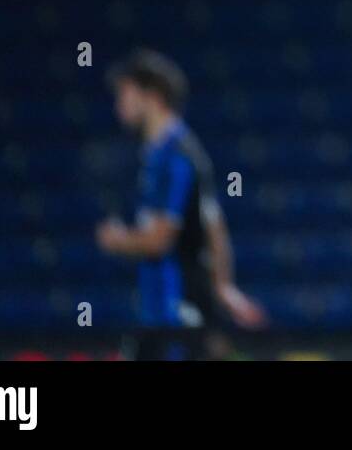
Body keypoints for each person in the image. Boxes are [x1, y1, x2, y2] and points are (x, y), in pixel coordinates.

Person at [95, 48, 265, 359]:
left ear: (153, 95)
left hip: (177, 312)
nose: (119, 104)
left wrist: (116, 240)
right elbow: (214, 225)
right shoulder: (161, 152)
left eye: (126, 94)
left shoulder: (175, 156)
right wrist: (224, 288)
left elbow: (160, 240)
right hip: (161, 311)